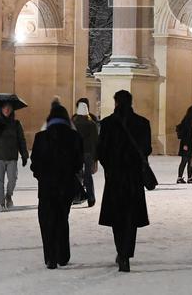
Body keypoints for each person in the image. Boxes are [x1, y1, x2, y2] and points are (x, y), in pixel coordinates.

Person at [97, 89, 151, 273]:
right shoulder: (143, 123)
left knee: (117, 218)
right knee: (131, 217)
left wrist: (110, 167)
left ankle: (121, 252)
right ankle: (126, 253)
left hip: (115, 177)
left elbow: (101, 151)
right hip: (134, 177)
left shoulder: (107, 124)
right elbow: (147, 149)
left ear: (116, 102)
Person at [31, 103, 84, 270]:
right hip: (66, 185)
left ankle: (51, 257)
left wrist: (41, 175)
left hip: (46, 186)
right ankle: (63, 255)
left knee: (47, 221)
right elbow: (78, 163)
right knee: (62, 219)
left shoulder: (41, 137)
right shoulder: (75, 137)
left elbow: (35, 163)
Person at [0, 102, 29, 210]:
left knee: (13, 179)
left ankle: (8, 196)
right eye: (4, 108)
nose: (7, 110)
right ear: (1, 109)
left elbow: (21, 140)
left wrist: (24, 155)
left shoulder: (16, 124)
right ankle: (1, 202)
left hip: (12, 156)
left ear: (12, 109)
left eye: (9, 107)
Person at [72, 98, 99, 206]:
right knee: (88, 176)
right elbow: (95, 141)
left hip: (76, 152)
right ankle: (91, 198)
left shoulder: (73, 122)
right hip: (88, 153)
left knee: (77, 175)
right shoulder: (92, 123)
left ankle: (77, 196)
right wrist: (96, 158)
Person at [175, 106, 192, 184]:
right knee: (184, 160)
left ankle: (190, 177)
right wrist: (185, 144)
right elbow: (185, 134)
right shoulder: (187, 121)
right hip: (187, 144)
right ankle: (179, 177)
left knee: (191, 161)